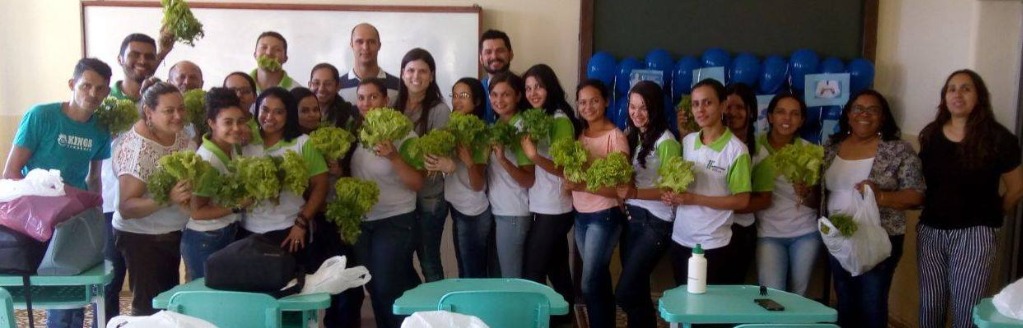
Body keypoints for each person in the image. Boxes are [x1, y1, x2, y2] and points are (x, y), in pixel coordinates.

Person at [2, 58, 114, 328]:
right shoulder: (42, 116)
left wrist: (94, 216)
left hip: (72, 222)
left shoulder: (100, 128)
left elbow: (94, 177)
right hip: (34, 222)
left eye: (100, 89)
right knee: (50, 294)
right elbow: (11, 172)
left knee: (74, 295)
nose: (92, 94)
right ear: (72, 84)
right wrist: (36, 213)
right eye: (86, 86)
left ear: (107, 93)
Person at [917, 70, 1023, 328]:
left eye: (966, 88)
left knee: (967, 309)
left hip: (975, 235)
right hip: (931, 232)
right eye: (951, 89)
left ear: (979, 96)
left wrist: (993, 216)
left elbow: (1017, 188)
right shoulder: (930, 135)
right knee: (930, 307)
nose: (958, 94)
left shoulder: (999, 138)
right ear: (945, 97)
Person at [823, 89, 924, 328]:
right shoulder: (832, 146)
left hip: (877, 237)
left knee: (871, 302)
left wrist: (880, 195)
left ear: (883, 117)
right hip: (838, 237)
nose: (864, 114)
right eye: (858, 108)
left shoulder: (898, 149)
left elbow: (917, 195)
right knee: (844, 299)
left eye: (873, 110)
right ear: (848, 114)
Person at [96, 32, 172, 327]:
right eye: (134, 55)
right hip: (107, 204)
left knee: (146, 288)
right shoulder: (104, 100)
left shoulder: (156, 99)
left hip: (144, 206)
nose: (141, 61)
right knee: (109, 282)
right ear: (120, 60)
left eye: (149, 56)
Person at [112, 81, 194, 316]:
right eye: (169, 111)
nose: (178, 116)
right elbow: (127, 207)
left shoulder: (178, 133)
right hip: (142, 238)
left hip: (169, 233)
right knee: (149, 307)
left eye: (181, 108)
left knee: (166, 303)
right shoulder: (138, 149)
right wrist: (168, 198)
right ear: (149, 111)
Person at [350, 78, 424, 328]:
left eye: (373, 97)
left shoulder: (405, 133)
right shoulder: (359, 132)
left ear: (385, 100)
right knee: (374, 285)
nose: (366, 103)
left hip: (395, 219)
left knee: (385, 286)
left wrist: (394, 156)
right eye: (361, 97)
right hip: (363, 222)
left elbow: (417, 182)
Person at [662, 79, 751, 287]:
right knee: (682, 304)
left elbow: (742, 201)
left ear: (722, 105)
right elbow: (681, 184)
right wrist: (672, 194)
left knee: (707, 312)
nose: (700, 110)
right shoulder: (688, 141)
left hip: (714, 243)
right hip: (681, 238)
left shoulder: (736, 150)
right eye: (695, 104)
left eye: (707, 103)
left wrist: (694, 199)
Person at [613, 81, 679, 328]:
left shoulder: (667, 141)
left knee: (625, 292)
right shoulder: (634, 136)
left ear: (656, 109)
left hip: (656, 224)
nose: (637, 113)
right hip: (633, 219)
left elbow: (672, 189)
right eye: (632, 106)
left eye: (644, 107)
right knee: (638, 291)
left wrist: (635, 192)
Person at [563, 79, 628, 328]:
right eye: (582, 102)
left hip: (605, 216)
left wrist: (580, 185)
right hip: (581, 215)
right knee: (598, 281)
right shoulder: (581, 135)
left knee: (589, 283)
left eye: (594, 100)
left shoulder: (616, 138)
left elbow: (619, 189)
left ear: (606, 102)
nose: (588, 106)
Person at [517, 64, 578, 323]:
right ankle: (566, 320)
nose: (533, 93)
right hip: (543, 206)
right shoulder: (536, 118)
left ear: (550, 87)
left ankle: (548, 321)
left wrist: (534, 156)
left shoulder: (560, 119)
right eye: (528, 88)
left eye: (539, 86)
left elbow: (564, 169)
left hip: (555, 208)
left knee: (533, 272)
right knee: (559, 270)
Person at [239, 87, 328, 264]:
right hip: (247, 229)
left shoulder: (302, 143)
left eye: (278, 112)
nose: (269, 117)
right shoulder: (245, 141)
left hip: (289, 229)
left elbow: (320, 185)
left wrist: (301, 223)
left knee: (290, 286)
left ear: (289, 115)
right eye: (265, 110)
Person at [425, 77, 492, 278]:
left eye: (464, 96)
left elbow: (478, 184)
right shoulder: (452, 129)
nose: (457, 101)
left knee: (472, 273)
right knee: (465, 268)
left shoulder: (480, 133)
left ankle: (475, 310)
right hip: (457, 208)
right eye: (454, 95)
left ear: (477, 101)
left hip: (473, 212)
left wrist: (468, 161)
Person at [755, 93, 821, 296]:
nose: (787, 119)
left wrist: (806, 192)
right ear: (770, 116)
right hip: (768, 233)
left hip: (805, 233)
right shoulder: (753, 147)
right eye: (781, 112)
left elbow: (817, 202)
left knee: (799, 296)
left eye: (794, 114)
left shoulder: (811, 151)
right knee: (772, 295)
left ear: (801, 121)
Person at [395, 48, 451, 282]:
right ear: (402, 73)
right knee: (400, 259)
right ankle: (416, 311)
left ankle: (439, 314)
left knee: (428, 259)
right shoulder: (392, 106)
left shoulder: (439, 110)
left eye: (422, 71)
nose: (415, 76)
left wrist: (398, 158)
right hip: (398, 197)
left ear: (431, 76)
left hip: (429, 198)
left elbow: (430, 161)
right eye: (410, 70)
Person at [182, 88, 250, 280]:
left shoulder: (233, 147)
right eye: (228, 122)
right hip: (206, 239)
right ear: (211, 123)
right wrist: (237, 206)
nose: (236, 128)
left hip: (224, 233)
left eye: (240, 121)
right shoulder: (208, 160)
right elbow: (197, 211)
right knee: (204, 304)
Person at [486, 72, 535, 279]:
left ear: (518, 96)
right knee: (503, 276)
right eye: (495, 95)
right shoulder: (496, 127)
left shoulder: (520, 128)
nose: (499, 100)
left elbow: (528, 179)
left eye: (506, 95)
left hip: (514, 213)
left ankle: (519, 313)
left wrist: (503, 159)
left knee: (511, 279)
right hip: (499, 211)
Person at [723, 83, 772, 284]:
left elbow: (764, 200)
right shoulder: (708, 143)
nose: (733, 112)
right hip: (708, 228)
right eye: (728, 106)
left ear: (751, 112)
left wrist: (727, 207)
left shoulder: (760, 152)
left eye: (740, 107)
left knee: (732, 289)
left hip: (740, 232)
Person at [339, 23, 400, 105]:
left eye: (371, 42)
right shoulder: (338, 87)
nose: (365, 47)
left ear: (379, 45)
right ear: (352, 45)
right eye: (359, 42)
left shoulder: (398, 86)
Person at [479, 29, 514, 123]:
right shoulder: (476, 90)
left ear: (510, 54)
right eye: (488, 52)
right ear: (481, 59)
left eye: (500, 51)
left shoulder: (525, 89)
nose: (494, 56)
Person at [308, 63, 357, 130]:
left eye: (328, 84)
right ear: (309, 85)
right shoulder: (298, 112)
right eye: (316, 83)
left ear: (338, 87)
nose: (321, 89)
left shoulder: (348, 115)